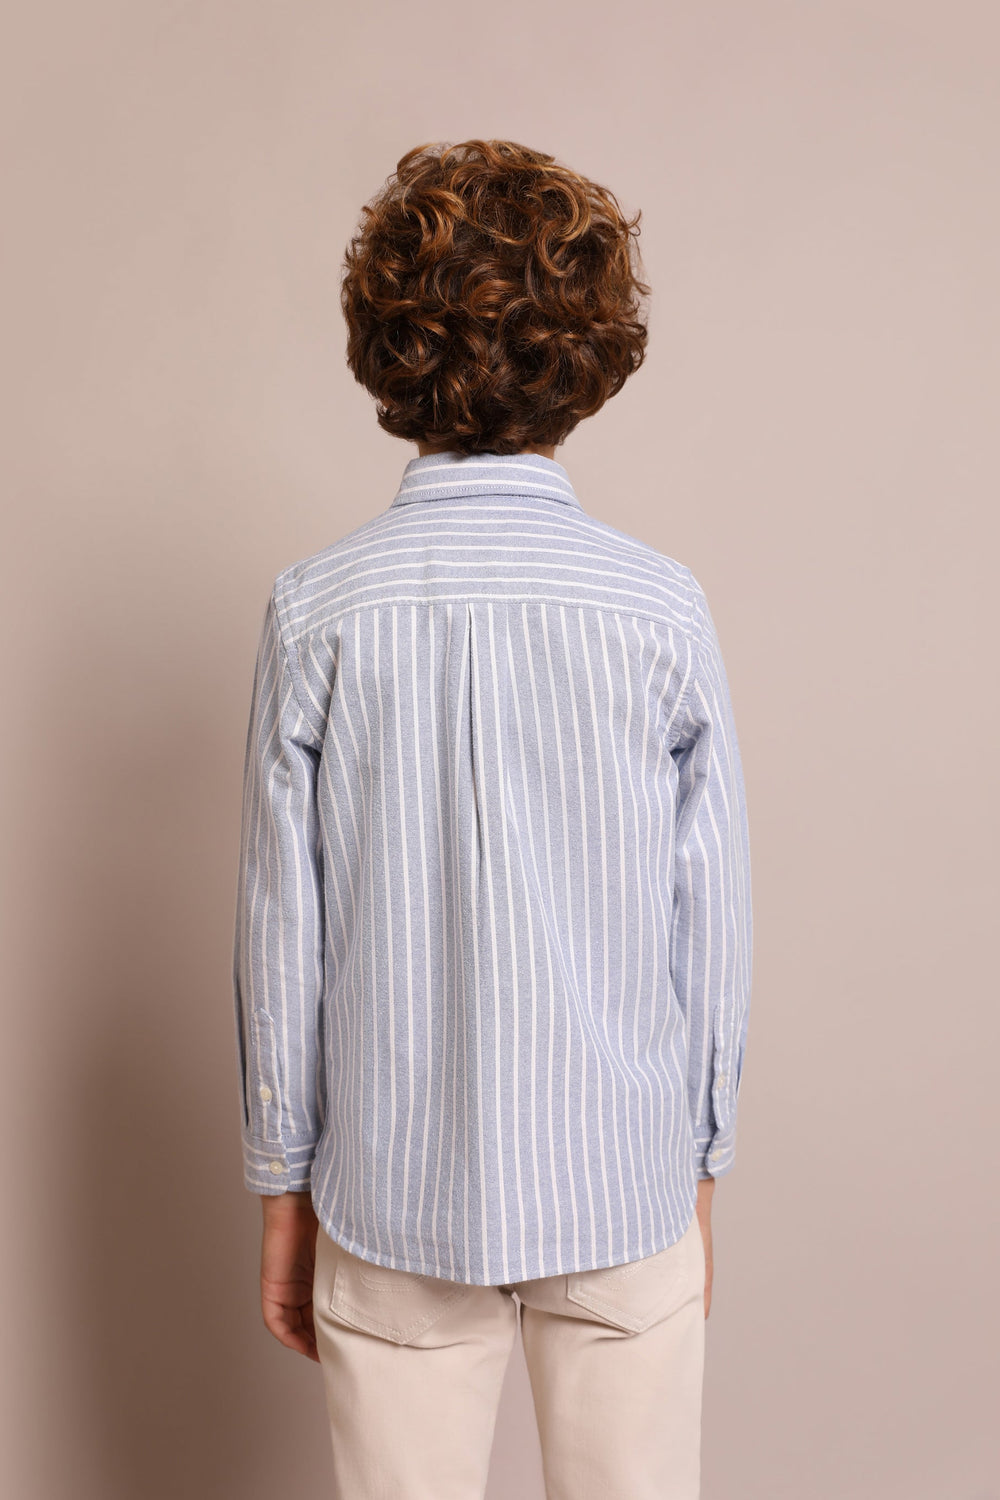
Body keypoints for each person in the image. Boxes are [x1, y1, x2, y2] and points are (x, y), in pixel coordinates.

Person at [232, 138, 753, 1500]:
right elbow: (710, 920)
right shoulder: (659, 608)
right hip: (622, 1180)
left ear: (386, 347)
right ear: (591, 355)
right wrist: (702, 1160)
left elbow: (282, 931)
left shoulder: (319, 611)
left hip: (391, 1187)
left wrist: (284, 1185)